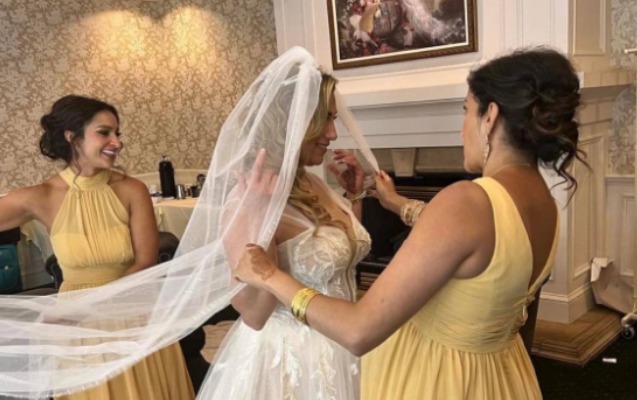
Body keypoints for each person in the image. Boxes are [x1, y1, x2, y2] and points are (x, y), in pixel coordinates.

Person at [234, 47, 586, 399]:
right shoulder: (545, 202)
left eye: (466, 110)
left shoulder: (468, 201)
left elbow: (358, 331)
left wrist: (270, 275)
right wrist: (395, 203)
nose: (461, 129)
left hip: (441, 380)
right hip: (501, 376)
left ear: (490, 117)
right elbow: (468, 240)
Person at [0, 95, 195, 400]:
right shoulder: (43, 196)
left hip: (133, 315)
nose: (117, 142)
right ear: (72, 137)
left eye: (117, 133)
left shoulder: (131, 189)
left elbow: (145, 262)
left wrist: (87, 307)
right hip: (78, 328)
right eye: (104, 133)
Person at [197, 70, 372, 399]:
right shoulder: (249, 197)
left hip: (343, 338)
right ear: (290, 124)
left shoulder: (313, 182)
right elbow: (253, 314)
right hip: (294, 360)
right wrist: (260, 216)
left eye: (333, 119)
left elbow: (340, 255)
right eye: (324, 120)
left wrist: (354, 196)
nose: (333, 134)